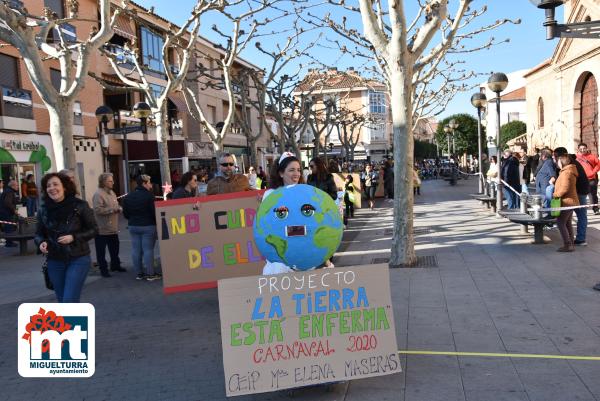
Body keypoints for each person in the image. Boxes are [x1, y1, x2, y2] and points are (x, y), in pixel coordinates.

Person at [35, 173, 98, 302]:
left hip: (78, 258)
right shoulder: (43, 209)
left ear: (64, 187)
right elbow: (38, 233)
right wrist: (41, 242)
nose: (52, 188)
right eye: (48, 186)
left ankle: (73, 321)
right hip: (54, 260)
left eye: (55, 184)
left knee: (69, 300)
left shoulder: (80, 205)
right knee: (62, 299)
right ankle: (72, 322)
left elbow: (94, 229)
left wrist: (74, 237)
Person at [262, 152, 305, 275]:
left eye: (298, 170)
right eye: (291, 170)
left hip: (302, 248)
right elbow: (268, 224)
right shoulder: (270, 194)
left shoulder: (305, 193)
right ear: (281, 173)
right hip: (279, 252)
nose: (296, 173)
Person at [122, 174, 160, 281]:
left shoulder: (128, 196)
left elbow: (125, 214)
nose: (151, 185)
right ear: (144, 183)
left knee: (136, 250)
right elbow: (153, 212)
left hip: (133, 225)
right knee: (148, 250)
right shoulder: (149, 196)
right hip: (148, 225)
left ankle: (139, 273)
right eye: (149, 182)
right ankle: (150, 273)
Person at [92, 173, 125, 278]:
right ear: (104, 182)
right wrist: (113, 210)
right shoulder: (98, 194)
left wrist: (119, 207)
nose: (113, 182)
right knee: (101, 252)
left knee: (115, 248)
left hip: (113, 228)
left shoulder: (112, 193)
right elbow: (98, 210)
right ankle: (104, 270)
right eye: (110, 181)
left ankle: (115, 265)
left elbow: (115, 205)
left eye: (112, 180)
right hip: (102, 229)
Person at [555, 147, 589, 246]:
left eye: (556, 156)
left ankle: (579, 239)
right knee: (569, 220)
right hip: (577, 192)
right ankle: (573, 240)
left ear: (561, 157)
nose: (555, 159)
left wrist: (556, 194)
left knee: (579, 216)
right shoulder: (571, 164)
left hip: (578, 193)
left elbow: (566, 186)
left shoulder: (569, 168)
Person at [553, 153, 579, 252]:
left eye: (558, 161)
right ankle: (570, 243)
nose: (557, 163)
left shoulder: (566, 173)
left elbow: (565, 188)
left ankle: (567, 244)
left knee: (560, 222)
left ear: (562, 162)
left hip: (566, 202)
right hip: (569, 201)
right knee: (567, 223)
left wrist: (555, 195)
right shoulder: (568, 171)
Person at [576, 143, 600, 215]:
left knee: (593, 194)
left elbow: (598, 164)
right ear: (578, 149)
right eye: (581, 149)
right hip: (580, 180)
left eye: (584, 148)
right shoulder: (575, 157)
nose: (582, 150)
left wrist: (593, 172)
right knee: (579, 194)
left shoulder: (591, 157)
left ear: (586, 148)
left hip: (591, 178)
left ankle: (595, 208)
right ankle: (580, 208)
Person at [0, 180, 19, 247]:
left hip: (4, 211)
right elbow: (8, 202)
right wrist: (14, 210)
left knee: (8, 226)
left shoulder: (7, 190)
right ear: (12, 186)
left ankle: (9, 241)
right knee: (9, 227)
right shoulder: (9, 192)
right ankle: (9, 242)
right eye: (16, 185)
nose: (18, 186)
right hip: (5, 212)